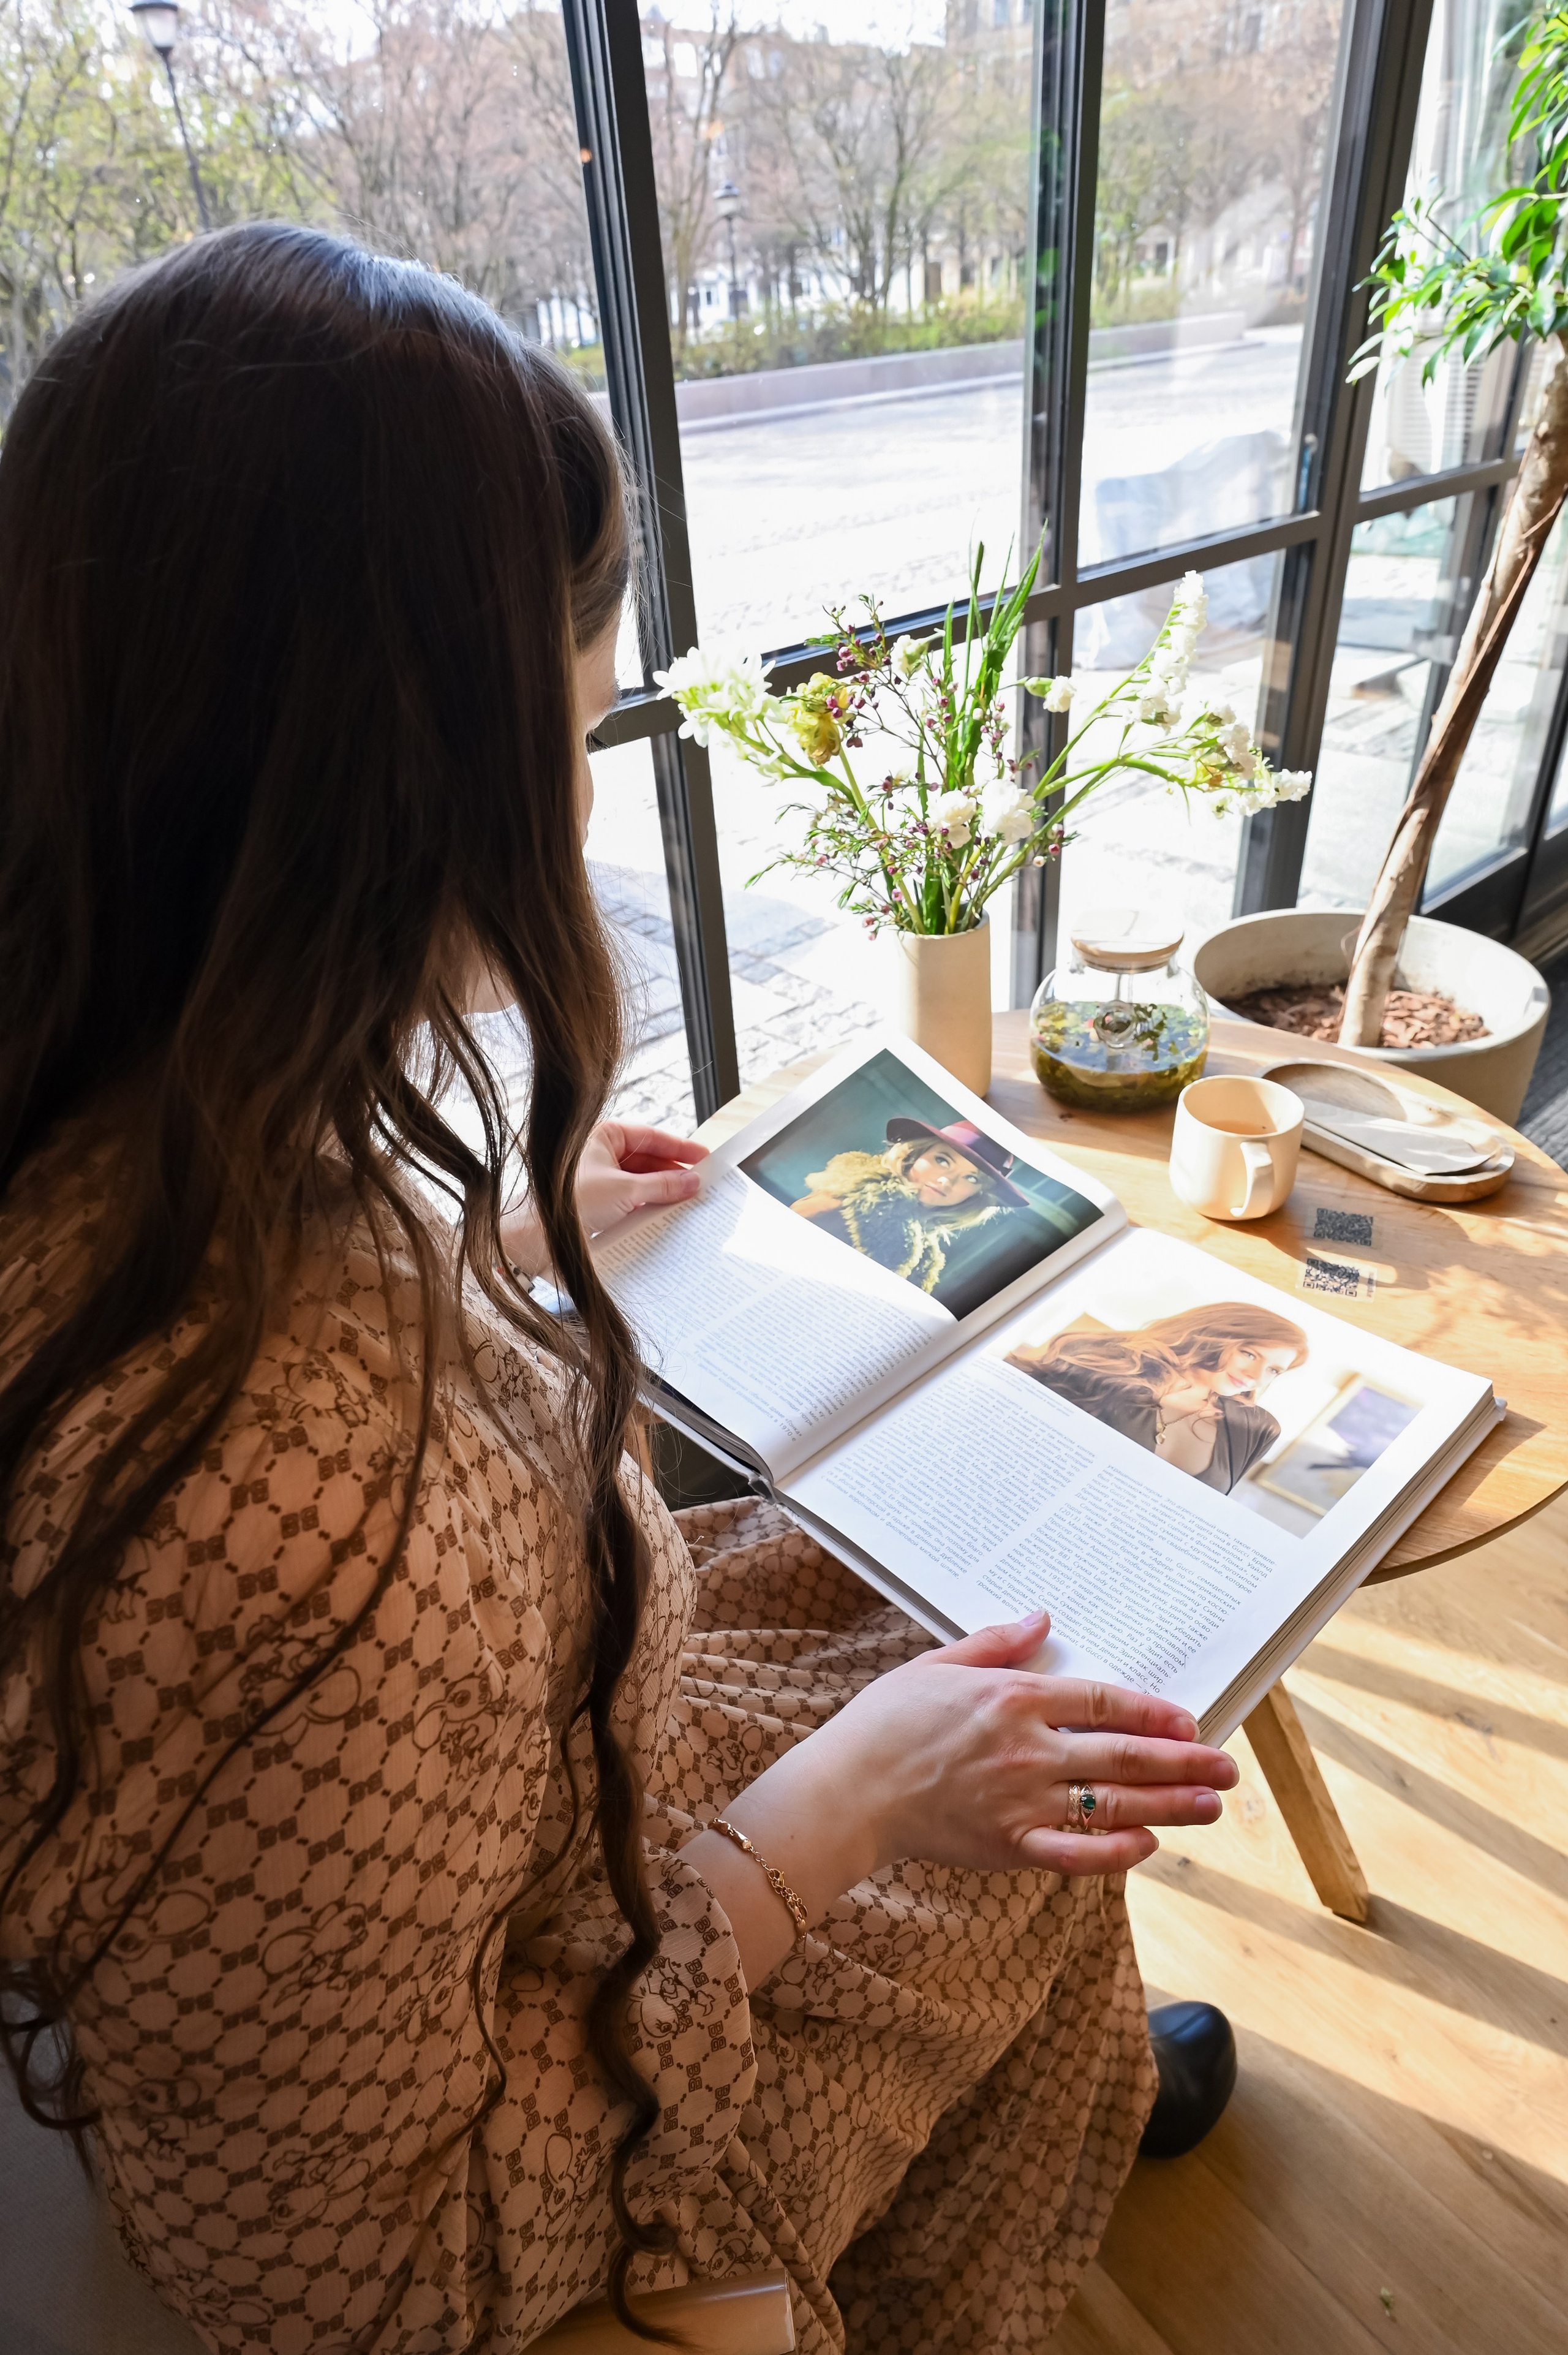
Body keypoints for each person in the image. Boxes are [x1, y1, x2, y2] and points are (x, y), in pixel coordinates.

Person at [0, 225, 1240, 2355]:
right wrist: (842, 1807)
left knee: (1002, 1656)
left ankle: (1050, 2091)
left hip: (555, 1777)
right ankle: (976, 2205)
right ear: (385, 801)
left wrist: (464, 1232)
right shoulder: (291, 1516)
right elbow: (365, 2278)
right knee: (1039, 1783)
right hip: (547, 2069)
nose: (578, 806)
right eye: (565, 739)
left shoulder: (109, 1090)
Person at [1011, 1304, 1310, 1494]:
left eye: (1273, 1370)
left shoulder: (1254, 1429)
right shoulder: (1104, 1365)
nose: (1256, 1375)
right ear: (1213, 1334)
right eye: (1249, 1354)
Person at [789, 1117, 1028, 1303]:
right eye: (943, 1160)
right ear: (914, 1154)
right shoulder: (840, 1205)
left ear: (977, 1196)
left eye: (972, 1178)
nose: (946, 1181)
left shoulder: (923, 1250)